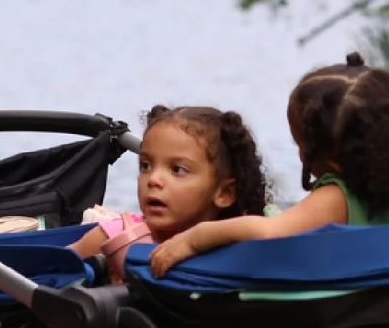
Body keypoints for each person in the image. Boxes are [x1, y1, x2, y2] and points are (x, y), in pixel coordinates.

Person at [148, 63, 389, 275]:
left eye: (301, 145)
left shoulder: (335, 200)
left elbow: (270, 231)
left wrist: (196, 237)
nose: (299, 157)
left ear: (328, 158)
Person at [74, 105, 269, 284]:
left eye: (178, 169)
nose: (153, 179)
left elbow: (272, 229)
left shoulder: (238, 244)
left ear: (224, 193)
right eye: (146, 166)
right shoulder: (111, 237)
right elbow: (50, 274)